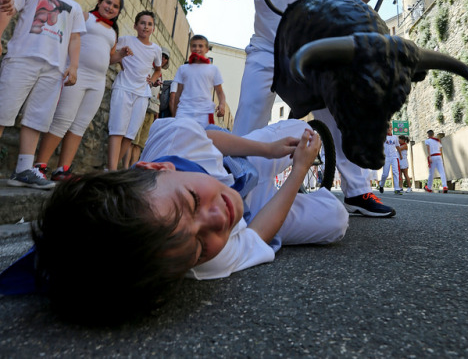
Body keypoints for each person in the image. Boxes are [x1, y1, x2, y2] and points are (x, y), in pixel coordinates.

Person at [3, 117, 349, 323]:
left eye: (191, 202)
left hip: (237, 165)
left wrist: (271, 151)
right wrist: (299, 171)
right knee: (334, 219)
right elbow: (257, 235)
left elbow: (208, 136)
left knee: (299, 131)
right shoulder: (199, 261)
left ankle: (268, 148)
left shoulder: (177, 141)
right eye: (200, 245)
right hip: (254, 210)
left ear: (157, 167)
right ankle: (298, 188)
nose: (216, 220)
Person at [223, 0, 399, 217]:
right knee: (250, 115)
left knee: (338, 112)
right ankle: (236, 191)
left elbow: (346, 2)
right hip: (267, 51)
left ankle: (358, 192)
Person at [0, 0, 85, 189]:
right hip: (23, 59)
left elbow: (75, 38)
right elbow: (6, 9)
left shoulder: (75, 7)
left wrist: (74, 66)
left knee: (38, 118)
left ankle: (24, 170)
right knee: (3, 108)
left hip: (54, 69)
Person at [35, 0, 127, 180]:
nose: (110, 7)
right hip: (77, 74)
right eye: (108, 2)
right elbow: (69, 38)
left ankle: (62, 170)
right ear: (99, 1)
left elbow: (109, 58)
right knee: (62, 119)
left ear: (118, 12)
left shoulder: (113, 31)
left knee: (80, 125)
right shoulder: (85, 17)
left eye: (115, 6)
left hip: (98, 81)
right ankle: (39, 166)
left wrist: (121, 55)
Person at [107, 10, 162, 171]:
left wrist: (151, 81)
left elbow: (158, 70)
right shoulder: (125, 40)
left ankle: (114, 169)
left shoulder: (156, 50)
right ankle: (111, 170)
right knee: (117, 130)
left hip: (142, 94)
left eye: (149, 24)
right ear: (136, 25)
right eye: (142, 23)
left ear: (153, 29)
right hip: (123, 87)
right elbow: (111, 56)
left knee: (129, 135)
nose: (146, 27)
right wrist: (121, 60)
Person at [123, 49, 170, 168]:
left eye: (165, 58)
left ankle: (133, 167)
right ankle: (124, 167)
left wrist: (156, 115)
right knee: (132, 138)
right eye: (162, 56)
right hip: (141, 105)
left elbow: (157, 95)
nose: (163, 59)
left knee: (139, 143)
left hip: (151, 111)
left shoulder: (159, 74)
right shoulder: (147, 68)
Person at [173, 34, 226, 127]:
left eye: (200, 46)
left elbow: (220, 92)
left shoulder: (213, 69)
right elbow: (178, 93)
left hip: (204, 113)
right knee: (180, 138)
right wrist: (174, 113)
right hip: (184, 111)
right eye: (194, 46)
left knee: (201, 140)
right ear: (190, 48)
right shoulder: (183, 68)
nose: (197, 48)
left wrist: (222, 105)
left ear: (207, 49)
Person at [378, 124, 402, 195]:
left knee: (396, 172)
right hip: (386, 157)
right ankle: (381, 185)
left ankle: (397, 188)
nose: (389, 128)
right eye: (387, 127)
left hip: (394, 156)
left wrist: (400, 155)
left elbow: (397, 146)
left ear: (392, 128)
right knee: (385, 174)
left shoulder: (395, 137)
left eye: (390, 127)